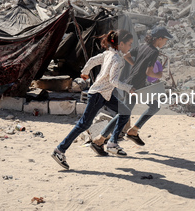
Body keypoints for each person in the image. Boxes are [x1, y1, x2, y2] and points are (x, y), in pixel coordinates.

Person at [52, 29, 136, 170]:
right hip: (99, 95)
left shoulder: (108, 53)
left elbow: (92, 61)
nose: (130, 47)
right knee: (84, 124)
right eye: (129, 44)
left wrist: (85, 72)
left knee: (125, 112)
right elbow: (114, 81)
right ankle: (59, 150)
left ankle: (112, 143)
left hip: (105, 95)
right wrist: (129, 88)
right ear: (121, 44)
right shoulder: (116, 59)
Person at [91, 26, 173, 153]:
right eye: (165, 40)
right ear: (159, 38)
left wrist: (136, 66)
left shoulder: (142, 46)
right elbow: (149, 72)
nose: (166, 42)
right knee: (124, 113)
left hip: (136, 82)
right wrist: (159, 75)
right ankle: (102, 139)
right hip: (135, 86)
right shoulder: (154, 51)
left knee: (153, 106)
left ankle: (132, 131)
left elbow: (126, 55)